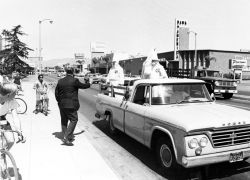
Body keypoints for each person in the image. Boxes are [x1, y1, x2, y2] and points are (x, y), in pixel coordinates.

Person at [55, 68, 90, 146]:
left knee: (64, 120)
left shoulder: (60, 81)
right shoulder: (75, 80)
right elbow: (84, 86)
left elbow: (56, 93)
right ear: (73, 72)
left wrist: (59, 101)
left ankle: (66, 136)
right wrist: (88, 82)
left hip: (61, 105)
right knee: (74, 119)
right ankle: (66, 137)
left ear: (66, 72)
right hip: (71, 105)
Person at [0, 83, 24, 151]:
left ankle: (2, 154)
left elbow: (15, 117)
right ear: (8, 95)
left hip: (2, 119)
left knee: (11, 141)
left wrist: (19, 132)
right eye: (15, 93)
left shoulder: (12, 101)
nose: (16, 95)